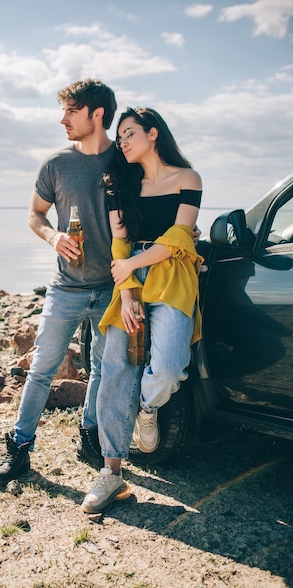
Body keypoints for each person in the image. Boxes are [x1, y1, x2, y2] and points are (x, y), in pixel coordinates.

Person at [0, 78, 118, 484]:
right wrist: (53, 236)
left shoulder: (126, 161)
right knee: (42, 367)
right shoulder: (56, 164)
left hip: (115, 287)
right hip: (66, 288)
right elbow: (34, 214)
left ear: (96, 114)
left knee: (101, 366)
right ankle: (20, 449)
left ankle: (90, 433)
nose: (62, 119)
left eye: (71, 111)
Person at [81, 106, 204, 514]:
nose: (124, 142)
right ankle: (111, 472)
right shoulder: (119, 184)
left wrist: (133, 262)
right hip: (129, 279)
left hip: (172, 275)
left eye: (130, 133)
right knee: (116, 368)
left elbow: (180, 236)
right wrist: (129, 292)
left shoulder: (188, 179)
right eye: (120, 138)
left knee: (169, 365)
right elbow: (120, 243)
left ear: (154, 134)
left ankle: (146, 410)